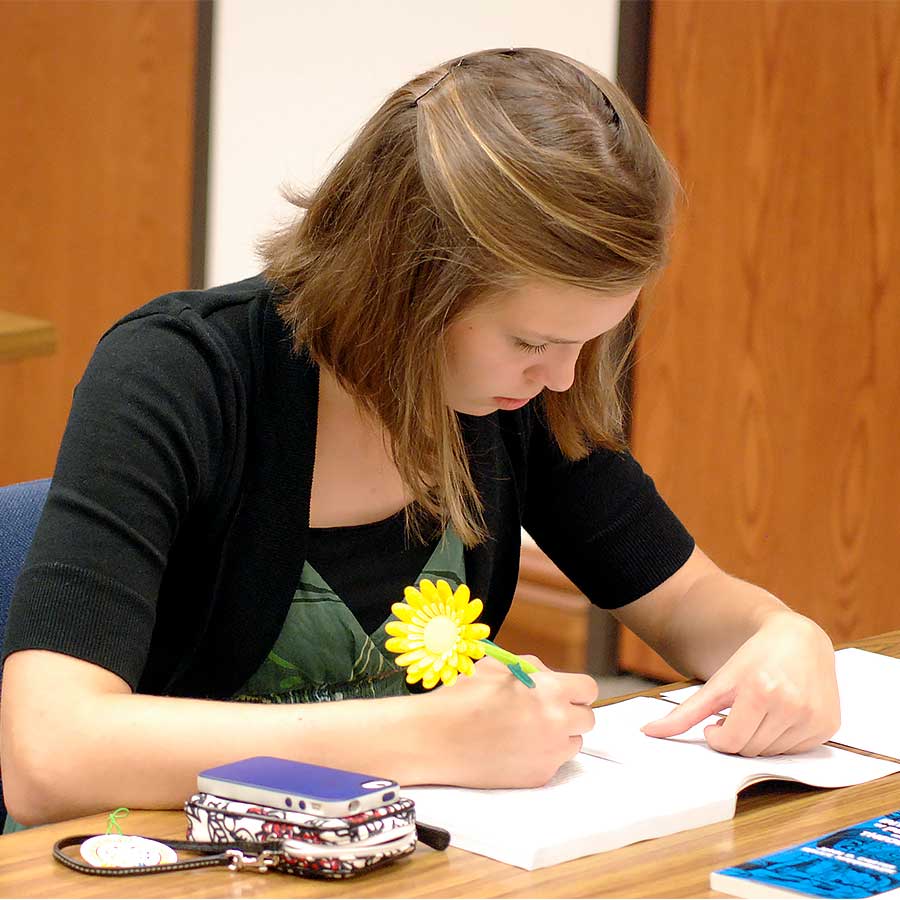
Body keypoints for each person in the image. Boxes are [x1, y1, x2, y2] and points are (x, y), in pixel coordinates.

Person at [0, 47, 839, 828]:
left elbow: (686, 601)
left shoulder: (515, 395)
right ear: (404, 281)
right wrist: (432, 738)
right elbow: (52, 752)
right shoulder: (178, 374)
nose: (561, 379)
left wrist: (780, 635)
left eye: (591, 341)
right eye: (531, 342)